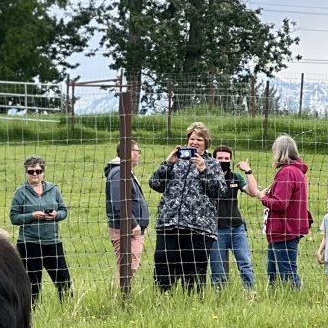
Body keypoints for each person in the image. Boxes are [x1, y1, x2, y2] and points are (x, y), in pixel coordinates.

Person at [148, 122, 223, 291]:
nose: (195, 142)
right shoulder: (176, 162)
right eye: (192, 138)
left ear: (206, 143)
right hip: (169, 224)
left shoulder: (212, 165)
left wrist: (203, 170)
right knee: (163, 262)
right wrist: (168, 163)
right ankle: (163, 299)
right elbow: (155, 183)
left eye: (200, 139)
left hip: (199, 227)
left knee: (194, 270)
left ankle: (192, 304)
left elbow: (219, 191)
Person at [248, 133, 310, 289]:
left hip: (284, 229)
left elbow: (281, 203)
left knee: (286, 272)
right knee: (274, 271)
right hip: (287, 228)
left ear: (279, 152)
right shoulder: (297, 172)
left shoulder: (287, 172)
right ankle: (277, 298)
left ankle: (293, 298)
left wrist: (263, 198)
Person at [9, 155, 72, 303]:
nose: (35, 174)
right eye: (31, 171)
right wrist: (32, 216)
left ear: (43, 172)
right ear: (26, 173)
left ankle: (68, 309)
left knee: (64, 280)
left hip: (52, 241)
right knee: (32, 283)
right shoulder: (20, 192)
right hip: (29, 243)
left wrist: (56, 215)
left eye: (38, 171)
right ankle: (32, 311)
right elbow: (14, 217)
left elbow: (64, 211)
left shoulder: (53, 189)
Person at [209, 144, 260, 291]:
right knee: (218, 268)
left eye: (226, 158)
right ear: (213, 160)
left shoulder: (235, 177)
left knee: (245, 263)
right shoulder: (208, 177)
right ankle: (220, 296)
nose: (223, 161)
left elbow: (253, 192)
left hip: (237, 228)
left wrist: (248, 172)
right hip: (216, 229)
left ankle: (249, 293)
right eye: (219, 158)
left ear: (231, 160)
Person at [104, 140, 150, 283]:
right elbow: (119, 203)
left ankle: (122, 298)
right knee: (126, 268)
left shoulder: (123, 171)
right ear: (129, 152)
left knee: (129, 268)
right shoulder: (119, 172)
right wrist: (133, 224)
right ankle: (119, 299)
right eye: (138, 151)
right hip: (127, 230)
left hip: (130, 229)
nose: (139, 155)